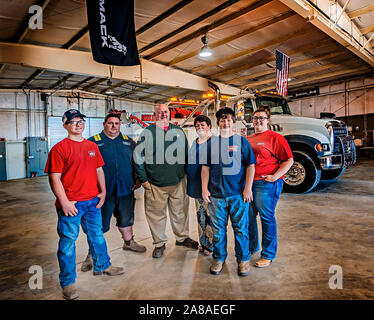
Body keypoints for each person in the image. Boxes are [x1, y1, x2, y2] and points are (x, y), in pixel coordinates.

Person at [44, 109, 124, 300]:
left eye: (81, 121)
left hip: (92, 202)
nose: (78, 124)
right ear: (65, 125)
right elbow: (54, 178)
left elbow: (99, 170)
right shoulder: (59, 148)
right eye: (73, 122)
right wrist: (64, 202)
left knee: (97, 235)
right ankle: (68, 282)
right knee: (68, 243)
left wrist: (102, 192)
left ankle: (103, 265)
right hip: (71, 204)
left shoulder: (91, 146)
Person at [80, 114, 146, 272]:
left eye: (116, 123)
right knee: (97, 226)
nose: (113, 126)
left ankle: (129, 243)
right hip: (102, 193)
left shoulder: (129, 142)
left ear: (120, 125)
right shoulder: (92, 142)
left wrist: (138, 179)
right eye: (110, 123)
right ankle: (92, 254)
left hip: (125, 189)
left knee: (126, 219)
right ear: (104, 124)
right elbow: (84, 167)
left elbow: (136, 162)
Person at [133, 103, 198, 258]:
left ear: (169, 114)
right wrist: (143, 180)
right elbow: (138, 157)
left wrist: (188, 176)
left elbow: (186, 154)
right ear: (155, 115)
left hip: (178, 181)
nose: (163, 114)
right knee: (156, 215)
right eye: (160, 112)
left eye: (165, 112)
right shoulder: (147, 133)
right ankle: (159, 243)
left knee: (181, 212)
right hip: (155, 183)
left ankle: (182, 238)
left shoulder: (179, 131)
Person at [201, 107, 256, 277]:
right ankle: (219, 258)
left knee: (241, 229)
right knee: (218, 231)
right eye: (223, 120)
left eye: (229, 120)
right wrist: (204, 189)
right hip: (216, 196)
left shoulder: (242, 141)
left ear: (234, 122)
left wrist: (248, 188)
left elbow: (250, 165)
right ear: (218, 123)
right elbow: (205, 167)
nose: (226, 123)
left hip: (238, 195)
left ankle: (243, 260)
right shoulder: (211, 143)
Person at [246, 106, 294, 268]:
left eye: (261, 118)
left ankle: (268, 254)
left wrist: (275, 176)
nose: (258, 121)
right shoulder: (248, 138)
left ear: (268, 121)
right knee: (249, 217)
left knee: (266, 218)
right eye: (255, 118)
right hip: (248, 184)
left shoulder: (275, 138)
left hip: (265, 184)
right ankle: (253, 247)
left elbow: (289, 160)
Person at [186, 115, 214, 256]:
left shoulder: (213, 142)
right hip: (195, 186)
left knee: (209, 216)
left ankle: (210, 245)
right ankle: (203, 242)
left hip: (208, 187)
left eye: (203, 125)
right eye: (197, 125)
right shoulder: (195, 142)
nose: (200, 127)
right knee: (200, 215)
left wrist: (207, 188)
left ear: (209, 126)